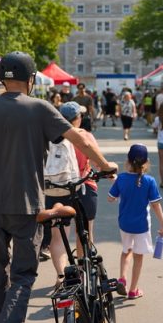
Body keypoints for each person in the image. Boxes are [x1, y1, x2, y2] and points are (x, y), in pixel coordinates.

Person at [0, 51, 117, 323]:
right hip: (25, 204)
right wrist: (105, 166)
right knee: (23, 274)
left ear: (1, 78)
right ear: (32, 79)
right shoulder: (38, 108)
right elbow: (77, 138)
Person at [44, 101, 101, 290]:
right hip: (82, 187)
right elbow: (97, 163)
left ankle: (61, 276)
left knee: (57, 235)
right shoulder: (84, 136)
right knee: (84, 232)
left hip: (55, 188)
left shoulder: (50, 136)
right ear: (77, 119)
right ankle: (82, 272)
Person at [108, 144, 163, 301]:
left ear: (128, 160)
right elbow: (155, 204)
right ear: (146, 162)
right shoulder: (149, 181)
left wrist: (115, 182)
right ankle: (133, 290)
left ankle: (122, 278)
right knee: (138, 257)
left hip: (124, 224)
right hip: (141, 226)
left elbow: (111, 198)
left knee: (126, 251)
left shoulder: (121, 179)